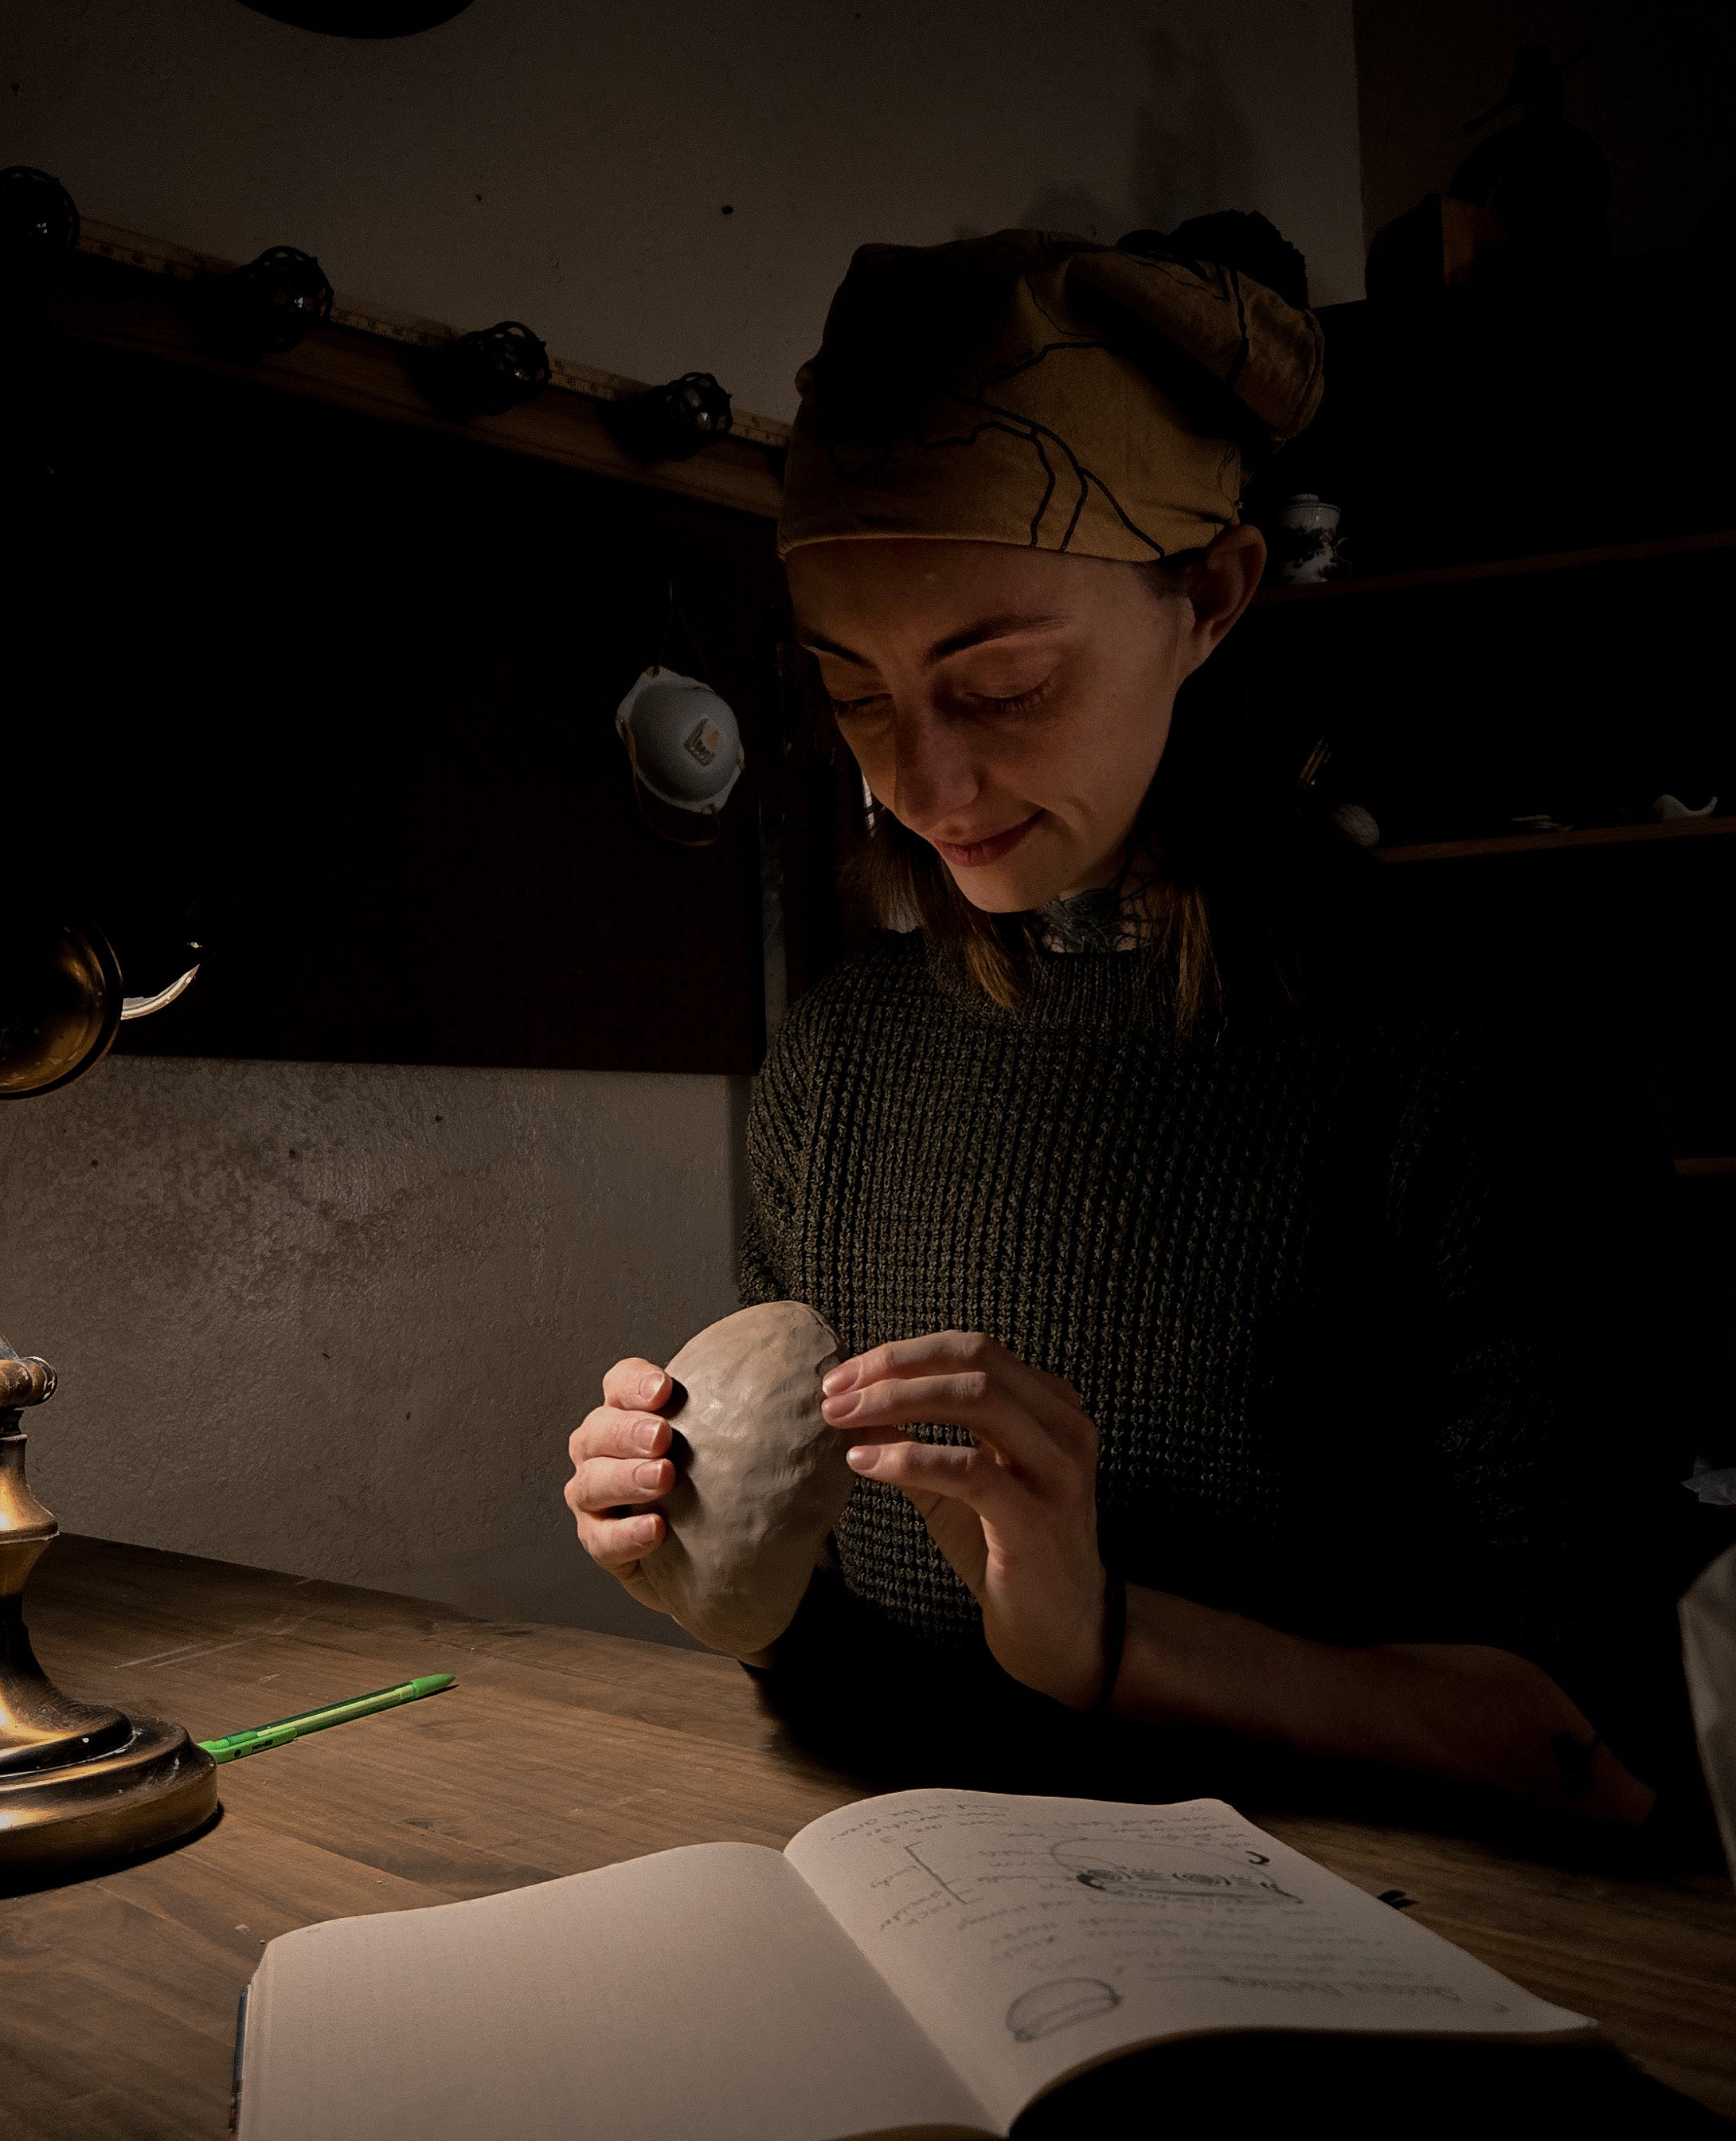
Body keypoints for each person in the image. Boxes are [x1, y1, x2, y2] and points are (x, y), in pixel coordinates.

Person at [565, 222, 1668, 1826]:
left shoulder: (1478, 1058)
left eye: (1002, 684)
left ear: (1212, 597)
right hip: (942, 1920)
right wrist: (724, 1575)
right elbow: (870, 1673)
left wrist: (1111, 1643)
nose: (922, 784)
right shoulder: (841, 1062)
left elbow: (1604, 1757)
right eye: (855, 694)